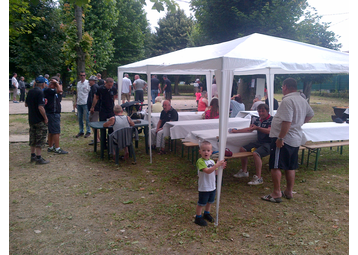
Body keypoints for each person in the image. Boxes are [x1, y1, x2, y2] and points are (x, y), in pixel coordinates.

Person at [262, 78, 314, 203]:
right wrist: (299, 123)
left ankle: (276, 192)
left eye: (282, 88)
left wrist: (280, 138)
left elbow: (287, 121)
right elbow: (310, 114)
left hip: (284, 139)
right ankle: (289, 191)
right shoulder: (302, 99)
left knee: (276, 165)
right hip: (295, 138)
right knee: (291, 166)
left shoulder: (288, 100)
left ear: (285, 87)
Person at [230, 104, 272, 185]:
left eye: (263, 111)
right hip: (259, 142)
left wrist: (257, 128)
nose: (261, 113)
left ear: (267, 111)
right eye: (259, 111)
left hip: (269, 143)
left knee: (256, 154)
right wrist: (236, 131)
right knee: (242, 149)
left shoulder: (271, 120)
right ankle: (244, 171)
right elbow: (250, 129)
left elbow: (269, 131)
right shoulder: (256, 119)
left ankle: (259, 178)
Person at [195, 140, 226, 226]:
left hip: (212, 186)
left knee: (210, 201)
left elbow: (215, 173)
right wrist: (217, 165)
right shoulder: (200, 161)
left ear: (211, 152)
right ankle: (198, 217)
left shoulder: (212, 162)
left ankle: (207, 213)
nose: (206, 152)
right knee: (202, 203)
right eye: (204, 150)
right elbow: (207, 171)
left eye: (208, 150)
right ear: (200, 151)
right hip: (204, 186)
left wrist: (220, 167)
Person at [25, 76, 49, 164]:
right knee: (40, 138)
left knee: (33, 137)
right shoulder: (40, 92)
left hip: (31, 118)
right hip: (39, 119)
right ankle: (39, 157)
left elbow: (26, 104)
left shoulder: (30, 91)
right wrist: (45, 118)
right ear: (43, 84)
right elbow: (40, 107)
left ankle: (33, 156)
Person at [44, 76, 68, 154]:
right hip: (52, 113)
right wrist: (56, 83)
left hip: (54, 113)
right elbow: (60, 89)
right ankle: (57, 148)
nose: (52, 84)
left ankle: (50, 147)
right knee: (56, 131)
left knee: (51, 131)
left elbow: (60, 90)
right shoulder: (48, 90)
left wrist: (58, 83)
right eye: (51, 82)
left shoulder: (55, 91)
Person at [75, 71, 91, 138]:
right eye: (81, 75)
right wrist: (76, 102)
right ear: (79, 76)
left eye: (83, 75)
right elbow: (77, 93)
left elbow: (90, 93)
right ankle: (81, 131)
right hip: (79, 102)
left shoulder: (87, 83)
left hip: (85, 102)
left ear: (85, 76)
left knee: (87, 118)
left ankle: (88, 131)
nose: (82, 76)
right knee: (80, 118)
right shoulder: (78, 83)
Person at [87, 75, 100, 145]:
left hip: (95, 109)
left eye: (90, 80)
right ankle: (97, 137)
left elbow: (95, 98)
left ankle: (97, 139)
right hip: (94, 108)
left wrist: (92, 107)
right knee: (93, 123)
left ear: (93, 81)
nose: (89, 81)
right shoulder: (93, 87)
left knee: (94, 123)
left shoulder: (94, 87)